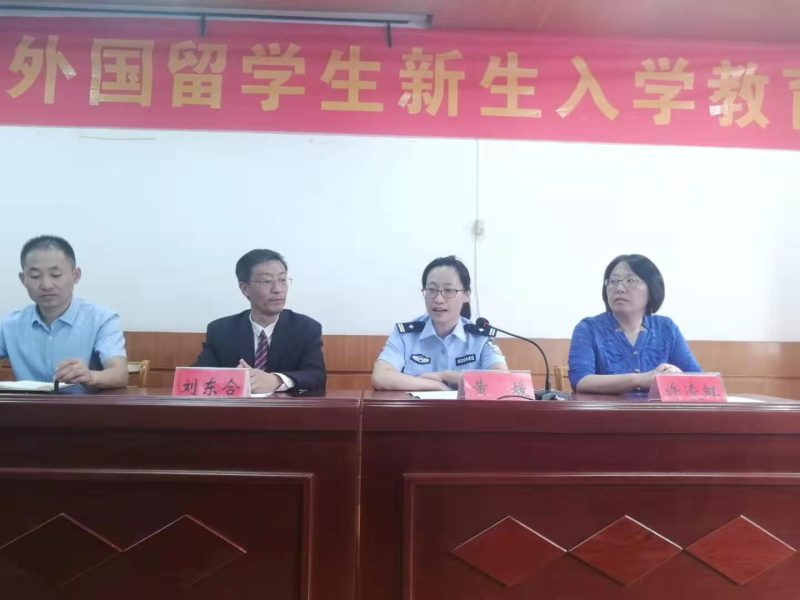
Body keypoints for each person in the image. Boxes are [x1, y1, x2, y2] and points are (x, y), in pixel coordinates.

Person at [0, 235, 128, 390]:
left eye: (56, 275)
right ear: (23, 279)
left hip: (85, 405)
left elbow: (119, 373)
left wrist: (91, 376)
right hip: (27, 406)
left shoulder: (102, 319)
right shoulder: (8, 325)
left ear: (75, 276)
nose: (46, 285)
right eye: (35, 276)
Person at [193, 249, 326, 393]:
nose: (278, 289)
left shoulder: (305, 328)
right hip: (237, 407)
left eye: (282, 280)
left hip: (287, 408)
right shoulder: (221, 331)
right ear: (245, 289)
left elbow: (317, 377)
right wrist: (232, 378)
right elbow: (196, 377)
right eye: (267, 281)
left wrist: (276, 380)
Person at [568, 254, 701, 394]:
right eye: (613, 281)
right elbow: (580, 381)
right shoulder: (588, 329)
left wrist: (677, 375)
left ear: (652, 288)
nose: (619, 288)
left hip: (659, 409)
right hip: (606, 409)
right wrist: (640, 379)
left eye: (630, 280)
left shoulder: (666, 328)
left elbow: (698, 380)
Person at [372, 256, 507, 391]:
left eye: (448, 290)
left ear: (466, 295)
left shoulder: (480, 338)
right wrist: (437, 386)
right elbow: (381, 377)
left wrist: (445, 376)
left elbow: (503, 381)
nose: (438, 299)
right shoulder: (405, 335)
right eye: (431, 290)